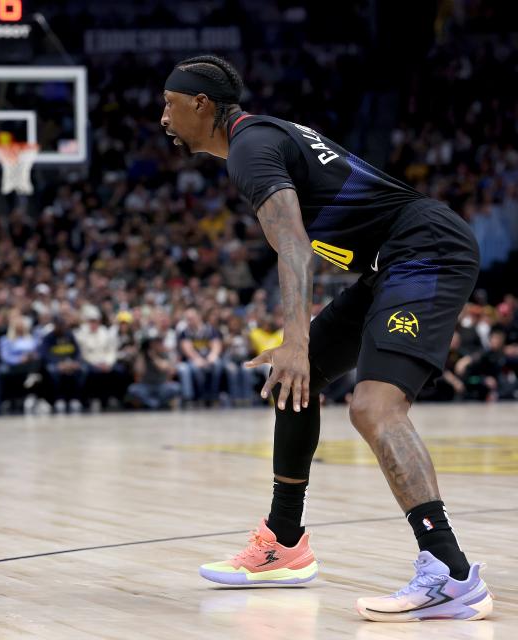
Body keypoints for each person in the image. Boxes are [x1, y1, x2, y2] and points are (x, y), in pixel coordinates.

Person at [161, 54, 491, 621]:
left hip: (424, 250)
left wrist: (295, 340)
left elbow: (292, 243)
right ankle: (285, 542)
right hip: (392, 263)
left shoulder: (248, 148)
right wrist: (296, 354)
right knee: (295, 380)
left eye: (169, 105)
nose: (162, 117)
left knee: (373, 406)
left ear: (201, 105)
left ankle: (450, 573)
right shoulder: (259, 139)